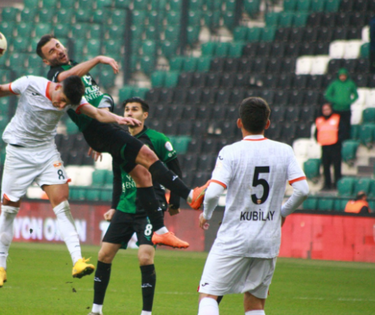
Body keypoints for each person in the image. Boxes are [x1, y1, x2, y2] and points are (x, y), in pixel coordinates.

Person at [37, 34, 208, 249]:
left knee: (142, 174)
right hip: (99, 129)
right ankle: (191, 195)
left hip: (101, 129)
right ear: (46, 61)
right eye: (51, 51)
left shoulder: (79, 69)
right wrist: (99, 58)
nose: (58, 50)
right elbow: (68, 78)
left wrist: (102, 121)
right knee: (148, 157)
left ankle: (160, 231)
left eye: (58, 45)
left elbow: (94, 100)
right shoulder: (55, 75)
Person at [0, 71, 141, 288]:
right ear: (57, 86)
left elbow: (98, 115)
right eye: (61, 100)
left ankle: (77, 261)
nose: (62, 106)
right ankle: (0, 267)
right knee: (8, 210)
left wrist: (118, 118)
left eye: (67, 104)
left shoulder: (72, 99)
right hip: (18, 153)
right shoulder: (30, 83)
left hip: (46, 153)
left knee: (62, 205)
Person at [197, 97, 309, 315]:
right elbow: (303, 190)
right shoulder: (284, 151)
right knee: (255, 303)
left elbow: (212, 193)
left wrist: (206, 214)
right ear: (267, 123)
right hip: (267, 239)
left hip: (234, 237)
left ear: (239, 122)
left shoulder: (230, 152)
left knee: (208, 295)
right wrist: (282, 213)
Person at [88, 98, 185, 315]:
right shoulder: (118, 141)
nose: (130, 112)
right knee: (104, 255)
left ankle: (146, 313)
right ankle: (96, 310)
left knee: (144, 257)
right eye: (127, 109)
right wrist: (114, 206)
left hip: (150, 208)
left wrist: (175, 202)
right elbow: (117, 177)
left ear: (145, 115)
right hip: (125, 207)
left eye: (135, 109)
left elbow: (175, 170)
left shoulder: (158, 140)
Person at [324, 68, 358, 141]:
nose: (342, 77)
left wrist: (350, 101)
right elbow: (327, 94)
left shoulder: (350, 84)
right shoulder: (334, 84)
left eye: (344, 75)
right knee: (336, 125)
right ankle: (336, 138)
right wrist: (335, 101)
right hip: (336, 109)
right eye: (341, 75)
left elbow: (356, 95)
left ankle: (346, 139)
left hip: (346, 109)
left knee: (346, 125)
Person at [315, 103, 343, 191]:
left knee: (336, 166)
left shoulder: (337, 118)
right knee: (325, 166)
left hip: (335, 146)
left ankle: (337, 184)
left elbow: (342, 131)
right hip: (324, 146)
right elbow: (317, 132)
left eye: (327, 109)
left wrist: (338, 141)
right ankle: (327, 184)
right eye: (324, 110)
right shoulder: (319, 120)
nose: (326, 111)